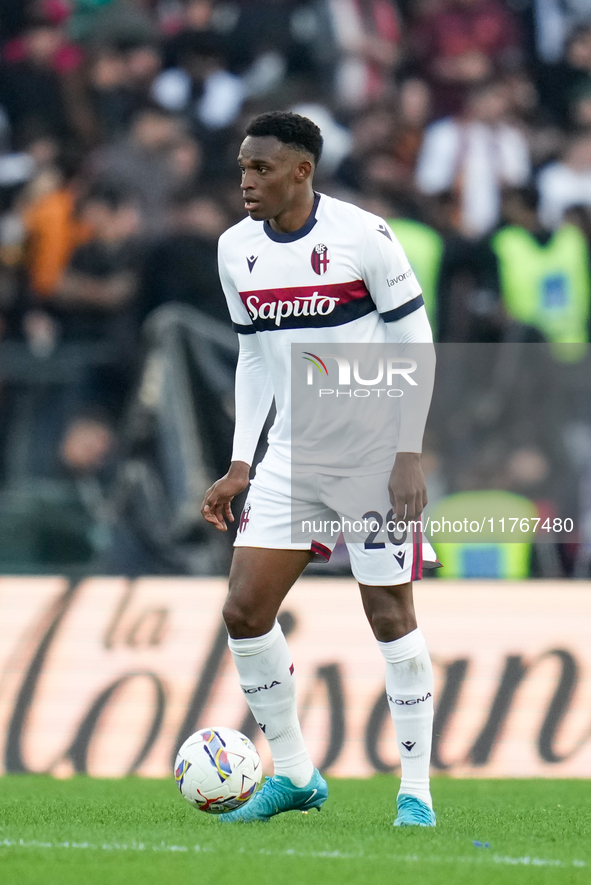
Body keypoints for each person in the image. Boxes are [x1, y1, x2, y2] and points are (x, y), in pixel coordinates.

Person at [201, 112, 438, 827]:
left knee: (389, 614)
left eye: (262, 169)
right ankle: (297, 774)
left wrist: (406, 453)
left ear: (301, 172)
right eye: (242, 167)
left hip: (369, 453)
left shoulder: (363, 236)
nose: (246, 181)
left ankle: (415, 792)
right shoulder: (234, 250)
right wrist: (241, 460)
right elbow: (252, 356)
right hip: (290, 458)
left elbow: (415, 341)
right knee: (244, 609)